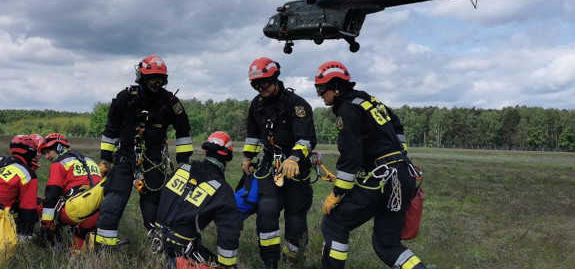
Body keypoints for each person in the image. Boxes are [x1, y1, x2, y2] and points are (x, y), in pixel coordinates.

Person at [313, 61, 428, 269]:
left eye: (321, 89)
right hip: (403, 175)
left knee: (335, 223)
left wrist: (338, 192)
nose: (320, 95)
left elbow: (351, 156)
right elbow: (397, 124)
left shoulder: (347, 110)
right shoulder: (368, 100)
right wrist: (400, 155)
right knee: (387, 243)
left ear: (337, 88)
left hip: (383, 180)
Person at [95, 55, 194, 248]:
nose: (155, 83)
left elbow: (184, 131)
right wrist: (105, 159)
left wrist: (184, 162)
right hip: (125, 156)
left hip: (154, 159)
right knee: (115, 199)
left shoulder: (170, 102)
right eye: (151, 78)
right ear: (141, 77)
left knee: (153, 202)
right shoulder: (125, 98)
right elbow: (111, 130)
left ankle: (159, 244)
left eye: (159, 79)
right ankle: (104, 247)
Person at [242, 57, 316, 269]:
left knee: (295, 216)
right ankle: (270, 262)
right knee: (266, 212)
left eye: (264, 83)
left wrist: (294, 158)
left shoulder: (297, 104)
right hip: (269, 167)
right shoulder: (256, 105)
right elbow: (253, 134)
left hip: (296, 169)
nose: (260, 88)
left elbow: (306, 139)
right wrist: (248, 157)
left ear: (275, 80)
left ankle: (293, 261)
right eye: (255, 85)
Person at [151, 131, 241, 269]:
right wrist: (228, 265)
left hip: (156, 243)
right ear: (228, 156)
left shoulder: (182, 169)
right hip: (181, 252)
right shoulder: (222, 189)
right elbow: (229, 231)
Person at [38, 133, 102, 251]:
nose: (46, 157)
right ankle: (77, 250)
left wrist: (45, 227)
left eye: (47, 152)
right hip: (100, 213)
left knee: (43, 205)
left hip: (78, 212)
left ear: (58, 148)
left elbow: (51, 197)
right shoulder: (91, 161)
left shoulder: (59, 164)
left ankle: (55, 247)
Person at [0, 135, 40, 242]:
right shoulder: (27, 173)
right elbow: (28, 207)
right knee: (38, 203)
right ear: (31, 153)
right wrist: (25, 234)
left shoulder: (2, 159)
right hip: (2, 213)